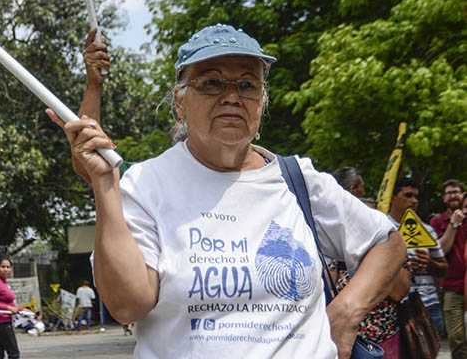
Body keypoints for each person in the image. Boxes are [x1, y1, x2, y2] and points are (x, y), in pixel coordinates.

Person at [50, 23, 407, 358]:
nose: (232, 96)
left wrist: (346, 312)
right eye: (212, 83)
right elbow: (128, 304)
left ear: (261, 103)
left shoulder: (298, 178)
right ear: (180, 101)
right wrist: (105, 187)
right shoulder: (145, 184)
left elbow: (387, 242)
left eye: (248, 85)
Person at [388, 177, 447, 336]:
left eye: (416, 197)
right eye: (408, 195)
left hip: (428, 304)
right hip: (391, 306)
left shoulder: (427, 230)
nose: (414, 201)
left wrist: (429, 263)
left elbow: (443, 269)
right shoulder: (380, 227)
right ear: (393, 197)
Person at [430, 179, 467, 358]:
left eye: (456, 192)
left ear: (463, 195)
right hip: (453, 287)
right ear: (444, 199)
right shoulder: (437, 221)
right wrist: (454, 224)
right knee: (456, 337)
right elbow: (441, 251)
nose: (453, 196)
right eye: (449, 193)